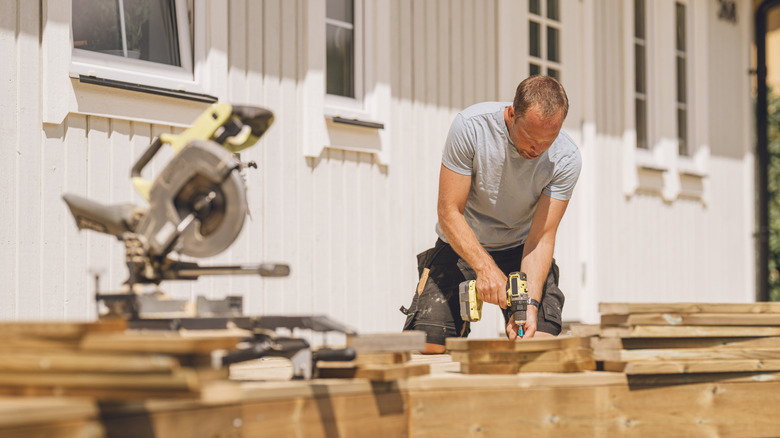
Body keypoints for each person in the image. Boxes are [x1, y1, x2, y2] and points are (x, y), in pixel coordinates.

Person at [401, 76, 581, 354]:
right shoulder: (471, 127)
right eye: (531, 138)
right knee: (429, 345)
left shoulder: (567, 158)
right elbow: (449, 212)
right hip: (461, 245)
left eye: (549, 140)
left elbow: (541, 238)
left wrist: (530, 305)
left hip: (521, 250)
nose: (538, 149)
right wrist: (484, 268)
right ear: (512, 114)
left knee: (536, 343)